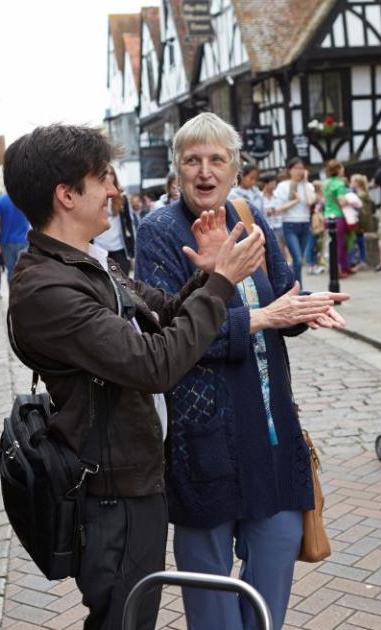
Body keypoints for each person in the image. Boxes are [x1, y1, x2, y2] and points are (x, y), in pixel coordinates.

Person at [5, 123, 266, 630]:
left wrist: (208, 275)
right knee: (124, 620)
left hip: (133, 478)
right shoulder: (47, 288)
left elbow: (164, 314)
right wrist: (222, 285)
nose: (113, 190)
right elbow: (155, 364)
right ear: (66, 194)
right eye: (102, 178)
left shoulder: (87, 262)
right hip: (109, 495)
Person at [135, 112, 348, 630]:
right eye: (193, 161)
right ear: (177, 170)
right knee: (212, 606)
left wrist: (303, 310)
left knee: (269, 588)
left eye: (217, 160)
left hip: (272, 438)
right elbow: (170, 332)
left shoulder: (248, 215)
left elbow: (283, 297)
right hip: (202, 442)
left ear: (234, 169)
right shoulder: (160, 231)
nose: (205, 172)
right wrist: (262, 317)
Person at [273, 157, 317, 286]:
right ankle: (299, 289)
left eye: (301, 168)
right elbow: (278, 209)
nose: (299, 171)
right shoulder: (283, 186)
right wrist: (295, 201)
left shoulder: (308, 186)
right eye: (296, 168)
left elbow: (310, 201)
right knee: (297, 259)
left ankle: (292, 285)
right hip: (290, 225)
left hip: (305, 225)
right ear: (290, 170)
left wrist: (306, 181)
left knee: (299, 261)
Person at [93, 170, 133, 273]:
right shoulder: (93, 195)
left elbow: (129, 223)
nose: (108, 177)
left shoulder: (122, 197)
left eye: (111, 173)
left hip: (118, 247)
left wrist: (132, 252)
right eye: (105, 173)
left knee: (123, 283)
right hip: (99, 246)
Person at [0, 192, 31, 281]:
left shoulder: (0, 201)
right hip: (24, 241)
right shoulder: (25, 200)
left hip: (6, 243)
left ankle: (13, 293)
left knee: (11, 271)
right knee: (24, 271)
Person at [322, 159, 351, 278]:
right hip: (338, 216)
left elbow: (325, 200)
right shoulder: (340, 183)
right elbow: (342, 201)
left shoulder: (326, 183)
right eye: (342, 167)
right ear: (338, 169)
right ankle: (340, 270)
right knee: (340, 244)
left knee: (331, 244)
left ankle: (337, 268)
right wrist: (350, 199)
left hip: (327, 215)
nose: (343, 169)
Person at [349, 173, 373, 269]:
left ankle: (358, 260)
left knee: (356, 241)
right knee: (360, 241)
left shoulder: (358, 195)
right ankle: (362, 259)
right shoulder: (365, 193)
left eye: (352, 181)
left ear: (356, 183)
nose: (350, 183)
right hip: (362, 222)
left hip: (358, 222)